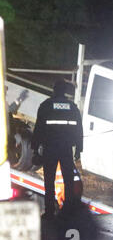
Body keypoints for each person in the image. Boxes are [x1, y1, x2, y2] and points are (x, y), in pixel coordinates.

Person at [31, 80, 83, 219]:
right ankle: (69, 211)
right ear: (64, 90)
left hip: (50, 148)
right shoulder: (72, 107)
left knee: (49, 180)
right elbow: (78, 129)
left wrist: (35, 148)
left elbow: (38, 129)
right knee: (68, 181)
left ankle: (49, 212)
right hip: (66, 149)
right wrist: (79, 149)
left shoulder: (46, 106)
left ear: (54, 90)